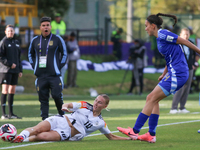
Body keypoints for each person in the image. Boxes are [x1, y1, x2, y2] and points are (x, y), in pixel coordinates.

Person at [117, 13, 200, 143]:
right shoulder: (159, 38)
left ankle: (135, 131)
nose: (145, 29)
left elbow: (184, 41)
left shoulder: (163, 34)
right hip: (175, 73)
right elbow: (170, 57)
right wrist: (164, 73)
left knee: (150, 98)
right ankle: (151, 134)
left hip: (178, 74)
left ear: (153, 26)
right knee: (153, 100)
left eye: (146, 26)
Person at [13, 94, 131, 143]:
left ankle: (20, 140)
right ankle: (20, 136)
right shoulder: (84, 104)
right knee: (37, 129)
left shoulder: (100, 123)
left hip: (66, 132)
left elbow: (111, 136)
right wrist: (64, 107)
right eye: (96, 100)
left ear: (105, 106)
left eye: (100, 103)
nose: (96, 103)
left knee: (42, 136)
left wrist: (129, 139)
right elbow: (68, 105)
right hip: (61, 119)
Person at [28, 16, 67, 120]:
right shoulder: (35, 40)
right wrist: (34, 66)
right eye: (43, 25)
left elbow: (65, 54)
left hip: (54, 76)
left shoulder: (58, 39)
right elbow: (30, 54)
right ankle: (44, 119)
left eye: (48, 25)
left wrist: (58, 67)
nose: (46, 27)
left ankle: (63, 117)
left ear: (51, 27)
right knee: (43, 99)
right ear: (40, 27)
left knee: (56, 96)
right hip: (41, 76)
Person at [170, 28, 196, 114]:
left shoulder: (191, 43)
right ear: (180, 34)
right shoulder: (177, 44)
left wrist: (192, 64)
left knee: (187, 87)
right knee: (179, 87)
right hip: (180, 68)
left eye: (187, 34)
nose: (186, 36)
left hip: (189, 68)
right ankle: (173, 108)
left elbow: (193, 55)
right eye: (184, 34)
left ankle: (182, 107)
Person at [0, 24, 23, 119]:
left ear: (14, 32)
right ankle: (3, 114)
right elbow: (1, 57)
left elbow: (18, 58)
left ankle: (11, 113)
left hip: (15, 71)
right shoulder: (3, 42)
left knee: (12, 91)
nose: (11, 32)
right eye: (9, 31)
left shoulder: (16, 42)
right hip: (5, 70)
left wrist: (20, 70)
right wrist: (9, 64)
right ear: (5, 32)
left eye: (12, 31)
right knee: (5, 90)